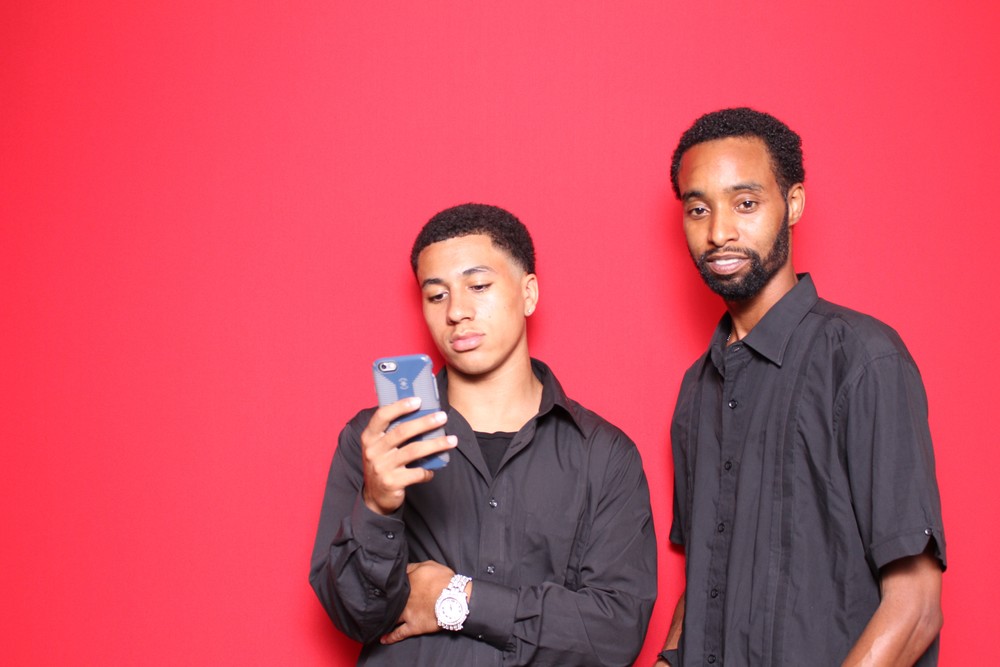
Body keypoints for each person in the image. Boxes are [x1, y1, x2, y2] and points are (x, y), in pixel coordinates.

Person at [654, 108, 946, 667]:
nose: (719, 232)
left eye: (745, 203)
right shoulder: (697, 389)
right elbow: (708, 575)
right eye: (698, 209)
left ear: (793, 204)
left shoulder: (863, 359)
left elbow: (915, 609)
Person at [310, 203, 657, 666]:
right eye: (437, 295)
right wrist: (376, 506)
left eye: (478, 286)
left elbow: (614, 634)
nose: (457, 311)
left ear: (528, 293)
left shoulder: (605, 454)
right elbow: (355, 616)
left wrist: (456, 598)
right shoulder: (376, 441)